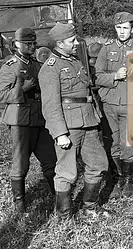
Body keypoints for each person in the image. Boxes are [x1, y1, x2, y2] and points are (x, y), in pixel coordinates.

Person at [39, 22, 111, 219]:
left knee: (98, 164)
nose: (76, 43)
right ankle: (64, 216)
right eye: (71, 41)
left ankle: (90, 208)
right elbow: (50, 105)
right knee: (67, 172)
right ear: (60, 43)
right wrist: (60, 133)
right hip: (69, 126)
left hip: (88, 120)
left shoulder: (75, 61)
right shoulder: (50, 68)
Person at [0, 27, 57, 214]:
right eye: (27, 44)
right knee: (21, 162)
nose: (31, 46)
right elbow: (0, 95)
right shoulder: (11, 66)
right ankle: (20, 204)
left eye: (33, 43)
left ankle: (57, 196)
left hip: (39, 119)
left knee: (50, 159)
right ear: (16, 45)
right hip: (20, 121)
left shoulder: (38, 64)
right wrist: (22, 89)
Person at [95, 12, 133, 198]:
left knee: (129, 143)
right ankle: (117, 178)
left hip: (131, 103)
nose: (121, 31)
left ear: (132, 29)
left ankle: (129, 180)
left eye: (125, 28)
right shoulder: (106, 49)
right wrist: (114, 76)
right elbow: (97, 76)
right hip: (110, 102)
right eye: (118, 28)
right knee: (112, 142)